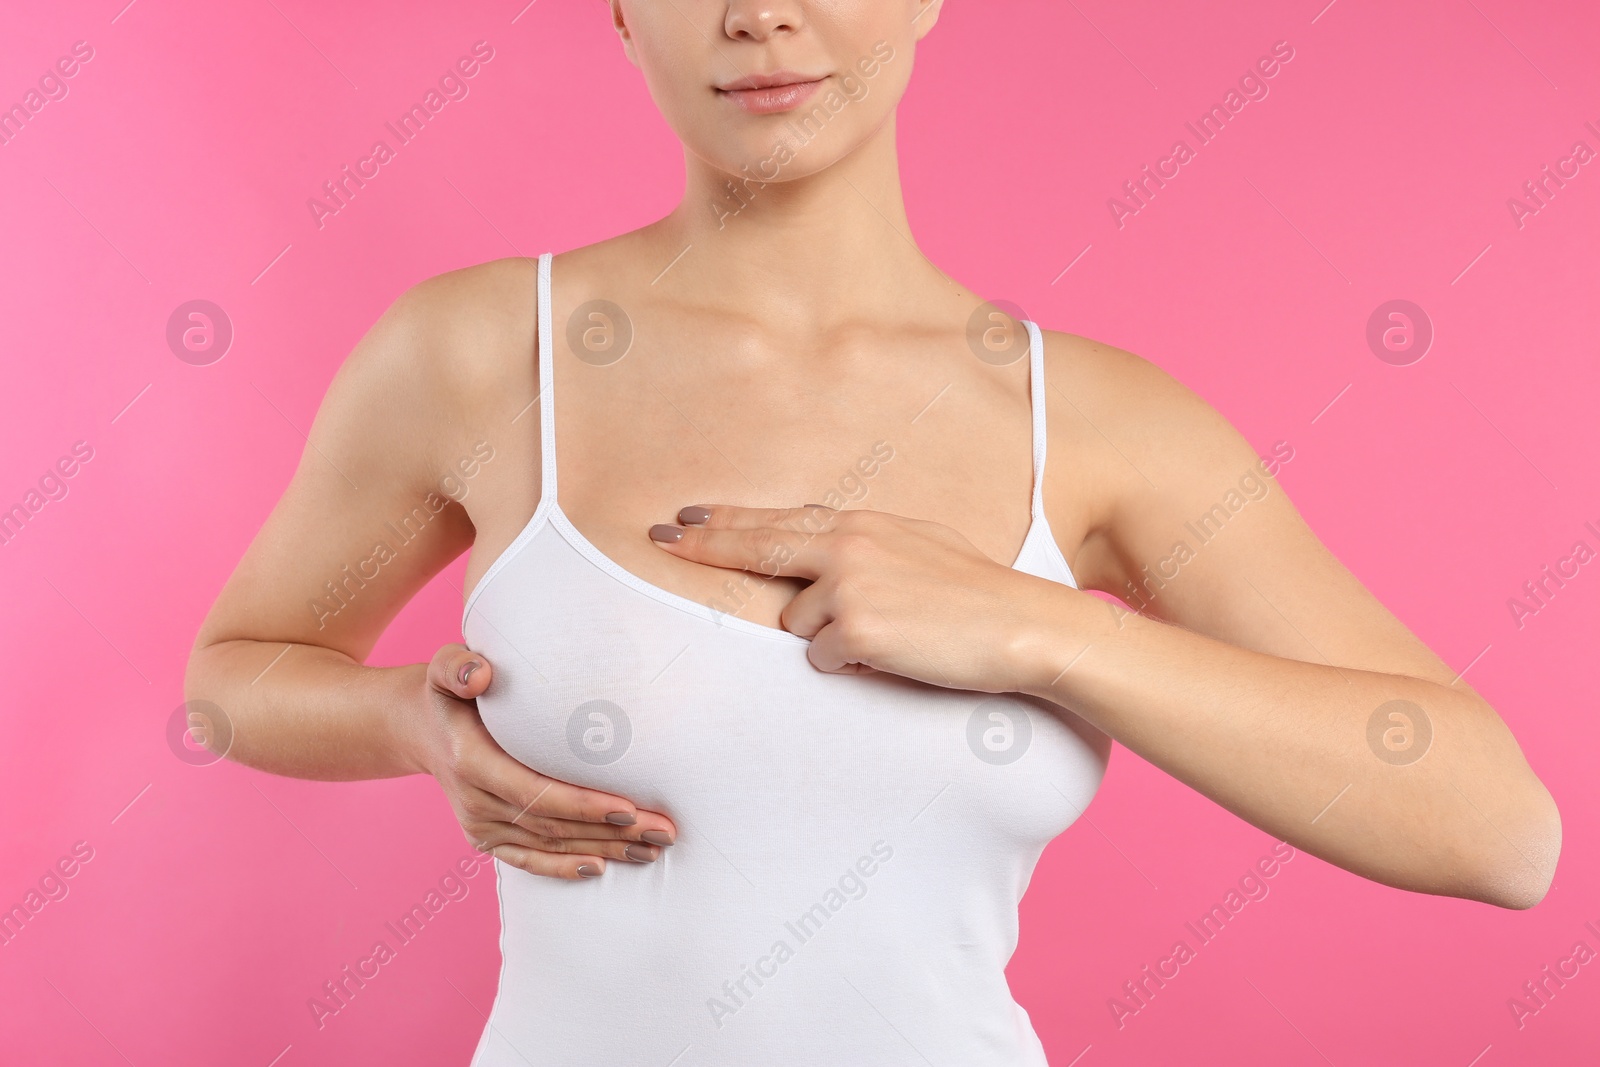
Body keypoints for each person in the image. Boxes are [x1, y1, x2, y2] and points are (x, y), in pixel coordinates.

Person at [184, 2, 1560, 1062]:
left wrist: (1041, 632)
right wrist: (411, 730)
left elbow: (1499, 833)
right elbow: (236, 677)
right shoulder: (477, 355)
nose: (760, 12)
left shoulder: (1093, 425)